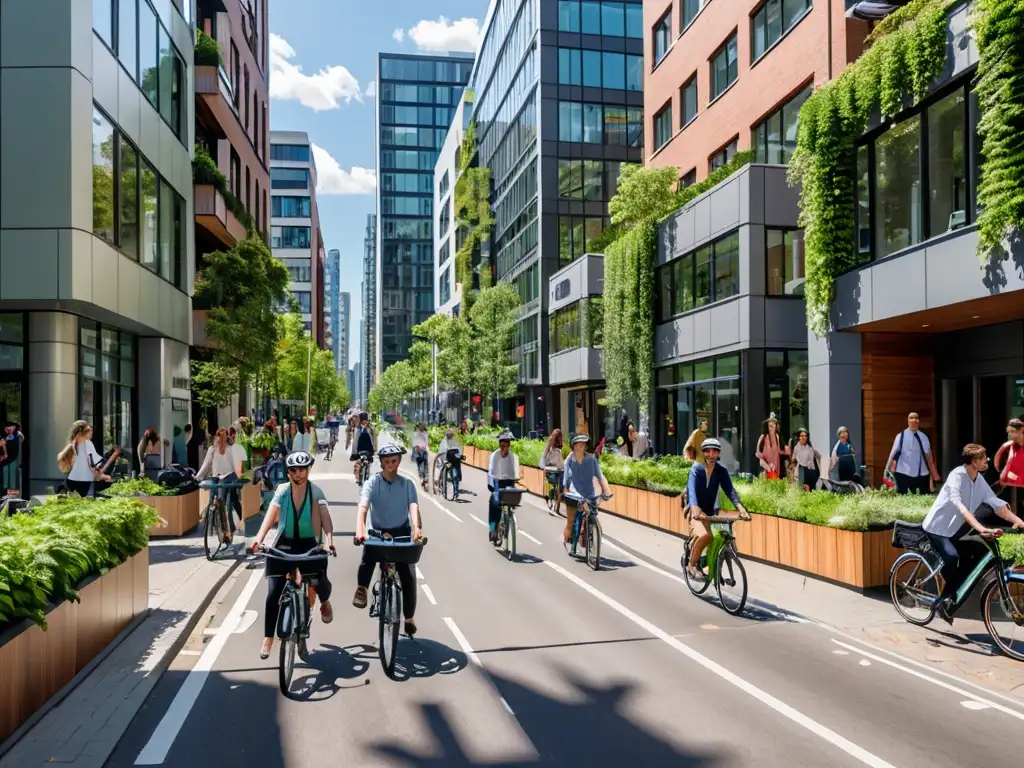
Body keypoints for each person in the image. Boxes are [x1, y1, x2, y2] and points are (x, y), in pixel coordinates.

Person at [922, 443, 1024, 624]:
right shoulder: (957, 476)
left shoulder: (978, 479)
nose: (987, 460)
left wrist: (1018, 521)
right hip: (937, 529)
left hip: (955, 531)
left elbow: (996, 503)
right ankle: (943, 601)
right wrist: (982, 529)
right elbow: (960, 507)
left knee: (977, 553)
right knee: (952, 558)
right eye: (983, 458)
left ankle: (950, 600)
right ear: (973, 461)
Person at [251, 450, 335, 659]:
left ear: (308, 471)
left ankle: (324, 602)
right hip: (284, 543)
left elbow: (325, 517)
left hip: (308, 543)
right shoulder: (282, 491)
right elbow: (271, 514)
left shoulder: (316, 492)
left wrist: (329, 542)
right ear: (288, 473)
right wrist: (259, 539)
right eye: (294, 470)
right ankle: (268, 638)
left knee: (318, 579)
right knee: (272, 594)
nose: (298, 474)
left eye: (302, 470)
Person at [353, 443, 423, 637]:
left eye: (394, 460)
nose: (391, 464)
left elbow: (413, 507)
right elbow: (363, 508)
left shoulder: (408, 484)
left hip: (401, 533)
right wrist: (360, 530)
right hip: (377, 533)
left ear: (399, 461)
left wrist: (417, 530)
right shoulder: (372, 483)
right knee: (368, 558)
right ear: (381, 463)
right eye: (386, 461)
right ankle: (362, 590)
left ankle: (408, 619)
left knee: (408, 575)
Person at [685, 438, 748, 581]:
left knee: (721, 537)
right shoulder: (697, 469)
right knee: (706, 535)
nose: (711, 454)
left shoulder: (721, 471)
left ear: (718, 453)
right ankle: (692, 564)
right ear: (703, 453)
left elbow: (730, 491)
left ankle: (709, 566)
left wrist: (740, 508)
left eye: (715, 451)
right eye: (707, 451)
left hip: (710, 512)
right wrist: (694, 507)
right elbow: (692, 489)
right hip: (696, 512)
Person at [562, 433, 612, 545]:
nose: (581, 446)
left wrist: (606, 490)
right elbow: (565, 480)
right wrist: (565, 492)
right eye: (578, 444)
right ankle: (569, 536)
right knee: (570, 523)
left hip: (589, 494)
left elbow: (600, 476)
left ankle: (588, 533)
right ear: (573, 446)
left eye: (583, 444)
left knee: (592, 514)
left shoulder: (591, 460)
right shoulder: (569, 461)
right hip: (574, 495)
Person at [197, 427, 244, 544]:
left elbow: (206, 465)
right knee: (225, 502)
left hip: (216, 478)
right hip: (228, 478)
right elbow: (235, 465)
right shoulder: (231, 449)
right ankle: (228, 528)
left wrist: (197, 477)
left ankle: (211, 525)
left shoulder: (212, 449)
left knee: (212, 500)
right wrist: (238, 478)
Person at [58, 421, 121, 497]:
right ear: (83, 432)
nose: (91, 433)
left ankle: (64, 494)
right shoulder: (87, 444)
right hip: (83, 481)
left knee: (73, 500)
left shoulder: (73, 444)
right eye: (89, 430)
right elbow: (94, 464)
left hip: (71, 480)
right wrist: (115, 454)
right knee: (78, 502)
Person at [887, 412, 941, 494]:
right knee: (903, 499)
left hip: (921, 474)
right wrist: (886, 469)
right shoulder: (900, 436)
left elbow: (929, 458)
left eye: (916, 420)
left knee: (923, 498)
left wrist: (935, 476)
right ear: (908, 422)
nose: (914, 422)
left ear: (918, 422)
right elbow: (892, 455)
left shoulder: (923, 437)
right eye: (911, 420)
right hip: (903, 473)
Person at [487, 431, 521, 543]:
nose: (505, 449)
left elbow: (515, 472)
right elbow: (491, 472)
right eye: (502, 446)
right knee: (494, 505)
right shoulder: (494, 455)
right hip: (497, 482)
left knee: (512, 501)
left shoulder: (512, 457)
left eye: (507, 446)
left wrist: (517, 479)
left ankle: (508, 521)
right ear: (499, 445)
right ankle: (492, 529)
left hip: (508, 482)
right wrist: (491, 485)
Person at [542, 429, 565, 515]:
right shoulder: (554, 450)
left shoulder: (554, 450)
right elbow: (559, 463)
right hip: (553, 472)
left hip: (553, 472)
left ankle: (555, 496)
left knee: (560, 484)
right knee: (560, 485)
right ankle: (557, 507)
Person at [438, 428, 463, 496]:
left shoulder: (456, 441)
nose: (450, 436)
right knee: (447, 473)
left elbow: (460, 450)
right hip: (448, 462)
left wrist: (459, 456)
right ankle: (443, 488)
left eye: (451, 435)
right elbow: (442, 452)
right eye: (449, 435)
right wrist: (444, 461)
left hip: (455, 461)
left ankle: (455, 491)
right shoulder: (444, 442)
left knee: (455, 476)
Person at [351, 412, 376, 476]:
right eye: (363, 422)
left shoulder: (370, 429)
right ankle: (358, 473)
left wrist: (374, 449)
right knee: (358, 462)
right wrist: (354, 453)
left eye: (365, 422)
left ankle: (365, 472)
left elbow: (374, 440)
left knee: (367, 462)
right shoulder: (358, 429)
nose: (364, 423)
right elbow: (355, 442)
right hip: (361, 450)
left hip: (368, 450)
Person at [411, 423, 430, 491]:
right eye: (420, 426)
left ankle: (424, 479)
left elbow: (427, 442)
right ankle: (421, 477)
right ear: (418, 427)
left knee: (425, 465)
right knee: (418, 465)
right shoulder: (415, 434)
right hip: (417, 450)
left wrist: (427, 448)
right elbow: (414, 443)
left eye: (423, 426)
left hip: (424, 451)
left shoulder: (426, 433)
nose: (421, 427)